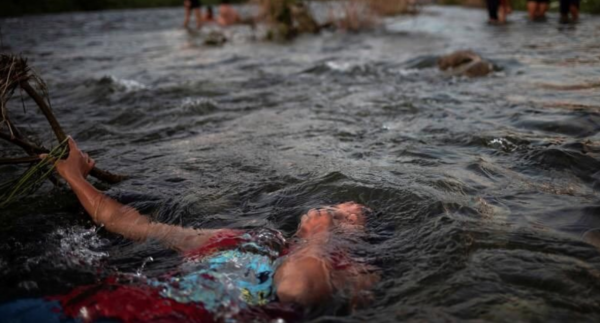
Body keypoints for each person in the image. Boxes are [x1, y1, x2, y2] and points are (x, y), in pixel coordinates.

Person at [0, 138, 378, 322]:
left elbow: (297, 291)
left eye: (345, 216)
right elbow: (131, 224)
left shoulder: (352, 274)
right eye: (330, 209)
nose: (327, 213)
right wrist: (75, 177)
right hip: (91, 309)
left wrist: (322, 239)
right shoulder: (246, 240)